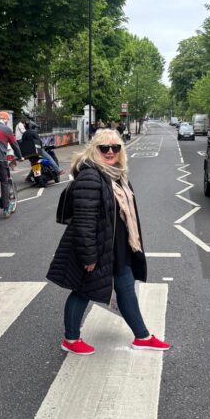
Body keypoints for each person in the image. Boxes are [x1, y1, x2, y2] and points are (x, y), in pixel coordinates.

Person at [47, 129, 170, 355]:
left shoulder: (116, 174)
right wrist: (89, 256)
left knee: (125, 287)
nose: (111, 151)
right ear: (95, 149)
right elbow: (84, 221)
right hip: (97, 247)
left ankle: (142, 336)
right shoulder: (91, 176)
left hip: (116, 246)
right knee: (83, 291)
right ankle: (71, 339)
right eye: (104, 148)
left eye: (116, 147)